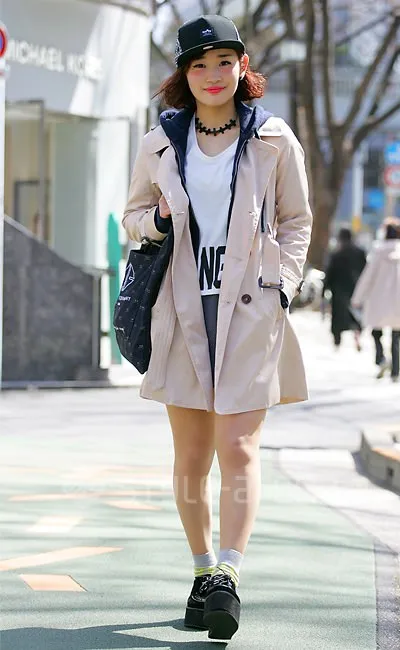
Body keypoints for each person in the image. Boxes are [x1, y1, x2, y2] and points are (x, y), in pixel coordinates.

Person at [121, 15, 312, 641]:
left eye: (223, 62)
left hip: (251, 309)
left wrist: (281, 286)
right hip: (180, 308)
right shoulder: (158, 143)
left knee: (238, 448)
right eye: (199, 65)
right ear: (184, 73)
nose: (212, 75)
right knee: (191, 455)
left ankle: (228, 573)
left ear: (242, 66)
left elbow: (296, 220)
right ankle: (202, 570)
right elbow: (132, 217)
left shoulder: (273, 138)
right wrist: (156, 221)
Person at [351, 217, 400, 381]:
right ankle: (396, 371)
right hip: (398, 298)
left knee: (376, 331)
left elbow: (368, 276)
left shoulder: (378, 249)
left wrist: (357, 297)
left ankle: (381, 359)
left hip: (378, 298)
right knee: (396, 335)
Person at [322, 227, 367, 350]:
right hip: (355, 289)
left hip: (338, 291)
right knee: (355, 316)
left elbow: (329, 273)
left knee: (338, 318)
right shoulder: (360, 252)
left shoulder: (336, 253)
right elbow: (365, 271)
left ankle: (337, 341)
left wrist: (324, 289)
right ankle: (357, 335)